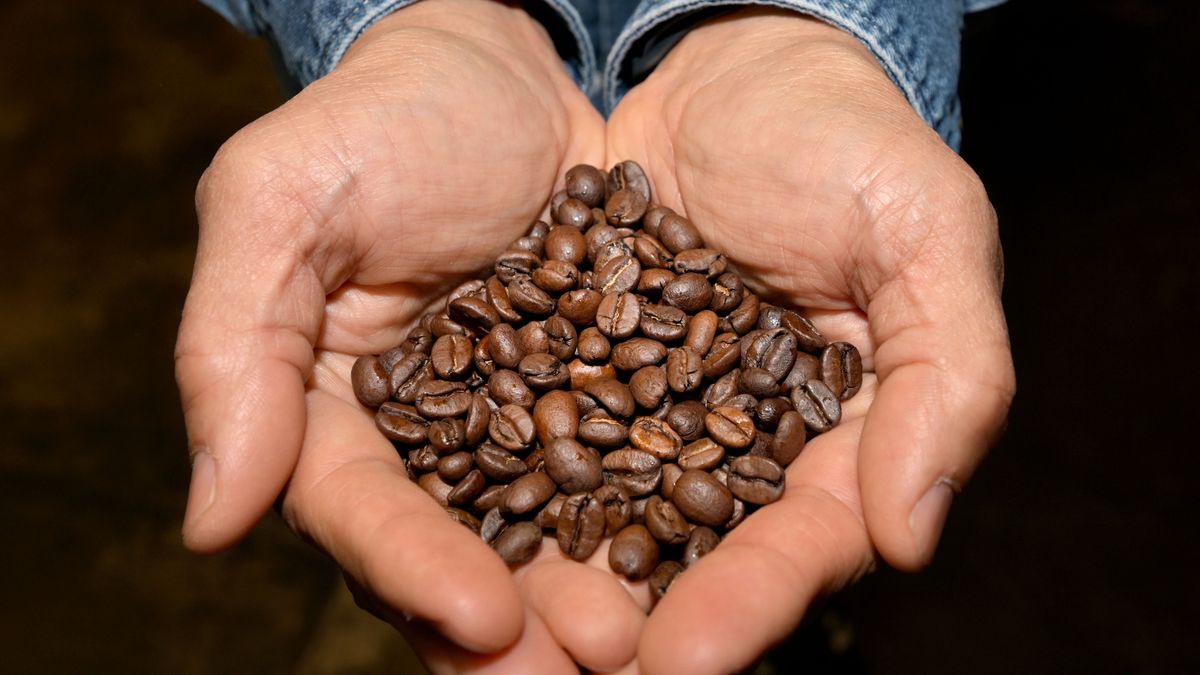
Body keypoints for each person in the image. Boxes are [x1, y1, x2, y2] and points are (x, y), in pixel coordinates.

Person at [176, 0, 1015, 671]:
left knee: (784, 553)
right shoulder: (519, 365)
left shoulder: (701, 351)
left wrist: (816, 27)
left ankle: (800, 635)